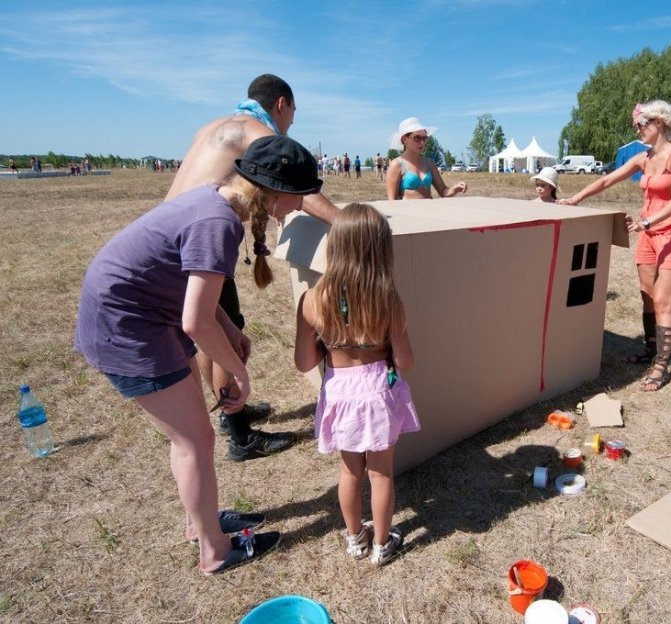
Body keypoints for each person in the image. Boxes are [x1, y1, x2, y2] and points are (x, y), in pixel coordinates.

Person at [76, 135, 321, 573]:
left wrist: (229, 331)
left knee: (193, 437)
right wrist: (235, 371)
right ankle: (214, 550)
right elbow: (194, 321)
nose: (301, 205)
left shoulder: (218, 202)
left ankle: (202, 522)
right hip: (128, 327)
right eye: (299, 195)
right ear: (275, 193)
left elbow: (201, 303)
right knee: (195, 441)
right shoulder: (220, 224)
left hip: (150, 316)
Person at [167, 73, 340, 461]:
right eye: (292, 116)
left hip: (179, 236)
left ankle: (233, 411)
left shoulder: (216, 126)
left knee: (215, 331)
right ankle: (240, 435)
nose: (289, 124)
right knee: (222, 333)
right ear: (282, 104)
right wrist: (346, 223)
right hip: (201, 241)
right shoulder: (257, 131)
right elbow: (301, 188)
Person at [294, 202, 419, 565]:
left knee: (350, 470)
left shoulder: (312, 300)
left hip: (341, 393)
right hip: (378, 390)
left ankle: (354, 538)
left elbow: (304, 362)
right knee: (381, 474)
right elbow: (406, 361)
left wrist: (326, 342)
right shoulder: (388, 299)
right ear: (380, 250)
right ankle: (382, 544)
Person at [559, 100, 671, 391]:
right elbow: (607, 179)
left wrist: (647, 222)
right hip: (648, 234)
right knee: (646, 295)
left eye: (642, 124)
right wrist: (575, 199)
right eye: (637, 125)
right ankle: (650, 349)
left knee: (662, 300)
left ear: (659, 123)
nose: (638, 129)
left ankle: (661, 366)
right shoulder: (643, 158)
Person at [386, 117, 467, 200]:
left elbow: (443, 191)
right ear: (404, 139)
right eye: (417, 138)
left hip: (429, 211)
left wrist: (455, 188)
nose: (422, 142)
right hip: (408, 212)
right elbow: (392, 201)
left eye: (424, 138)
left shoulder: (429, 163)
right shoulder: (396, 165)